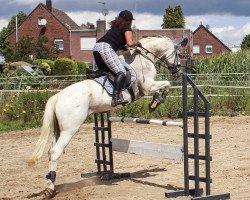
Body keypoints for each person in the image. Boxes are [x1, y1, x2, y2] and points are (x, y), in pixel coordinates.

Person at [93, 10, 142, 107]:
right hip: (105, 48)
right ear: (129, 21)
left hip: (96, 48)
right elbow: (130, 43)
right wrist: (137, 43)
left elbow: (117, 44)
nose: (130, 23)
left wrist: (122, 47)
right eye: (130, 21)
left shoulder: (114, 28)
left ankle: (93, 75)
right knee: (121, 72)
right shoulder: (126, 28)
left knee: (107, 72)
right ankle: (115, 98)